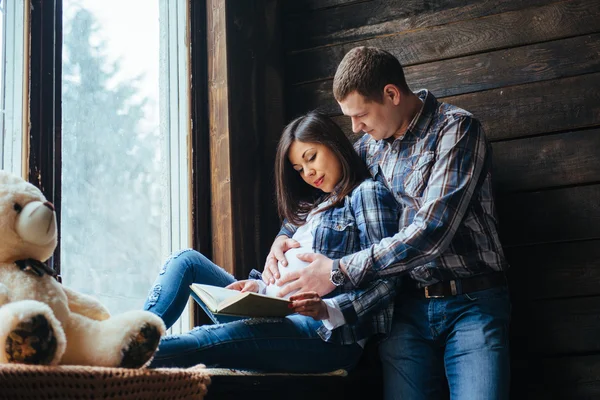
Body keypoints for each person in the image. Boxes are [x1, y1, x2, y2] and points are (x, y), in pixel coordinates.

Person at [263, 46, 511, 399]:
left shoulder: (457, 130)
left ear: (391, 94)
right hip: (403, 312)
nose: (355, 127)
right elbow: (329, 191)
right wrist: (283, 236)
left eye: (361, 115)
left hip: (471, 302)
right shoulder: (369, 148)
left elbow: (432, 231)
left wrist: (337, 270)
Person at [142, 111, 400, 372]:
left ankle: (123, 354)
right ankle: (134, 332)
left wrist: (326, 308)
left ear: (333, 144)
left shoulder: (366, 194)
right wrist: (258, 288)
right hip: (272, 311)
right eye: (299, 169)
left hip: (325, 332)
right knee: (185, 260)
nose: (309, 172)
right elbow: (285, 275)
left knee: (206, 338)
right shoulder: (313, 207)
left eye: (311, 158)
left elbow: (388, 281)